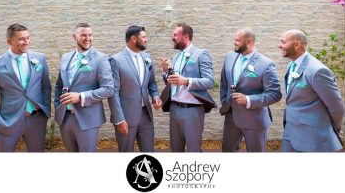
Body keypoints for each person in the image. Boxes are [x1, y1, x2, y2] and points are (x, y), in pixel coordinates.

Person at [0, 23, 51, 152]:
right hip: (7, 122)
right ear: (9, 41)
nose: (26, 42)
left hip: (36, 120)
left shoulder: (40, 59)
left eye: (28, 38)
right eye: (21, 39)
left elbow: (45, 87)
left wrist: (45, 111)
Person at [278, 29, 345, 152]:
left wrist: (331, 129)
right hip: (290, 133)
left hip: (313, 138)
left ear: (297, 44)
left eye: (283, 42)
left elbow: (337, 108)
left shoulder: (317, 71)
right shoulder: (291, 65)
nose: (279, 45)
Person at [54, 23, 114, 152]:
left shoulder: (101, 59)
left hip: (87, 118)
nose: (88, 38)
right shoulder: (65, 58)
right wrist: (58, 105)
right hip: (65, 117)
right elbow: (59, 85)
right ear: (74, 37)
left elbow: (108, 89)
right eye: (83, 35)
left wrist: (81, 96)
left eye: (90, 35)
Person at [219, 28, 282, 152]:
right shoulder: (229, 57)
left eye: (237, 40)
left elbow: (275, 94)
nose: (234, 43)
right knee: (227, 151)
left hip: (254, 118)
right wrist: (225, 101)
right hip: (231, 117)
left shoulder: (266, 64)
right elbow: (224, 82)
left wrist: (248, 99)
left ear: (249, 41)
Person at [160, 22, 216, 152]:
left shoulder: (201, 54)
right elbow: (171, 82)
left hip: (192, 110)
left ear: (185, 36)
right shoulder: (175, 57)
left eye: (175, 35)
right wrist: (166, 72)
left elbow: (209, 81)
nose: (172, 37)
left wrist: (186, 81)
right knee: (175, 149)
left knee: (193, 150)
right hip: (174, 109)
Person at [108, 25, 161, 152]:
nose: (146, 39)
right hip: (125, 116)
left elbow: (152, 82)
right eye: (143, 37)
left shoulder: (147, 58)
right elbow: (113, 92)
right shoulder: (116, 60)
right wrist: (119, 119)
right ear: (133, 39)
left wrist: (155, 96)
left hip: (146, 115)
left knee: (149, 153)